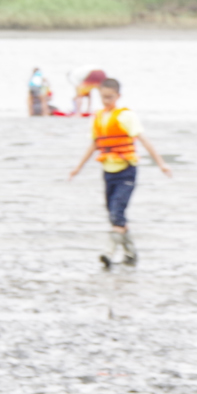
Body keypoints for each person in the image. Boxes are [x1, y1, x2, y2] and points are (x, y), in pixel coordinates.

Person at [68, 77, 172, 268]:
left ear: (118, 96)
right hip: (108, 171)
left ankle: (108, 253)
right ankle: (131, 254)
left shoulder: (126, 116)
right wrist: (78, 168)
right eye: (103, 97)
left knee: (117, 212)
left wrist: (161, 163)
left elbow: (144, 139)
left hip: (126, 171)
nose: (106, 101)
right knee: (115, 215)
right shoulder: (98, 117)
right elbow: (94, 144)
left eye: (110, 97)